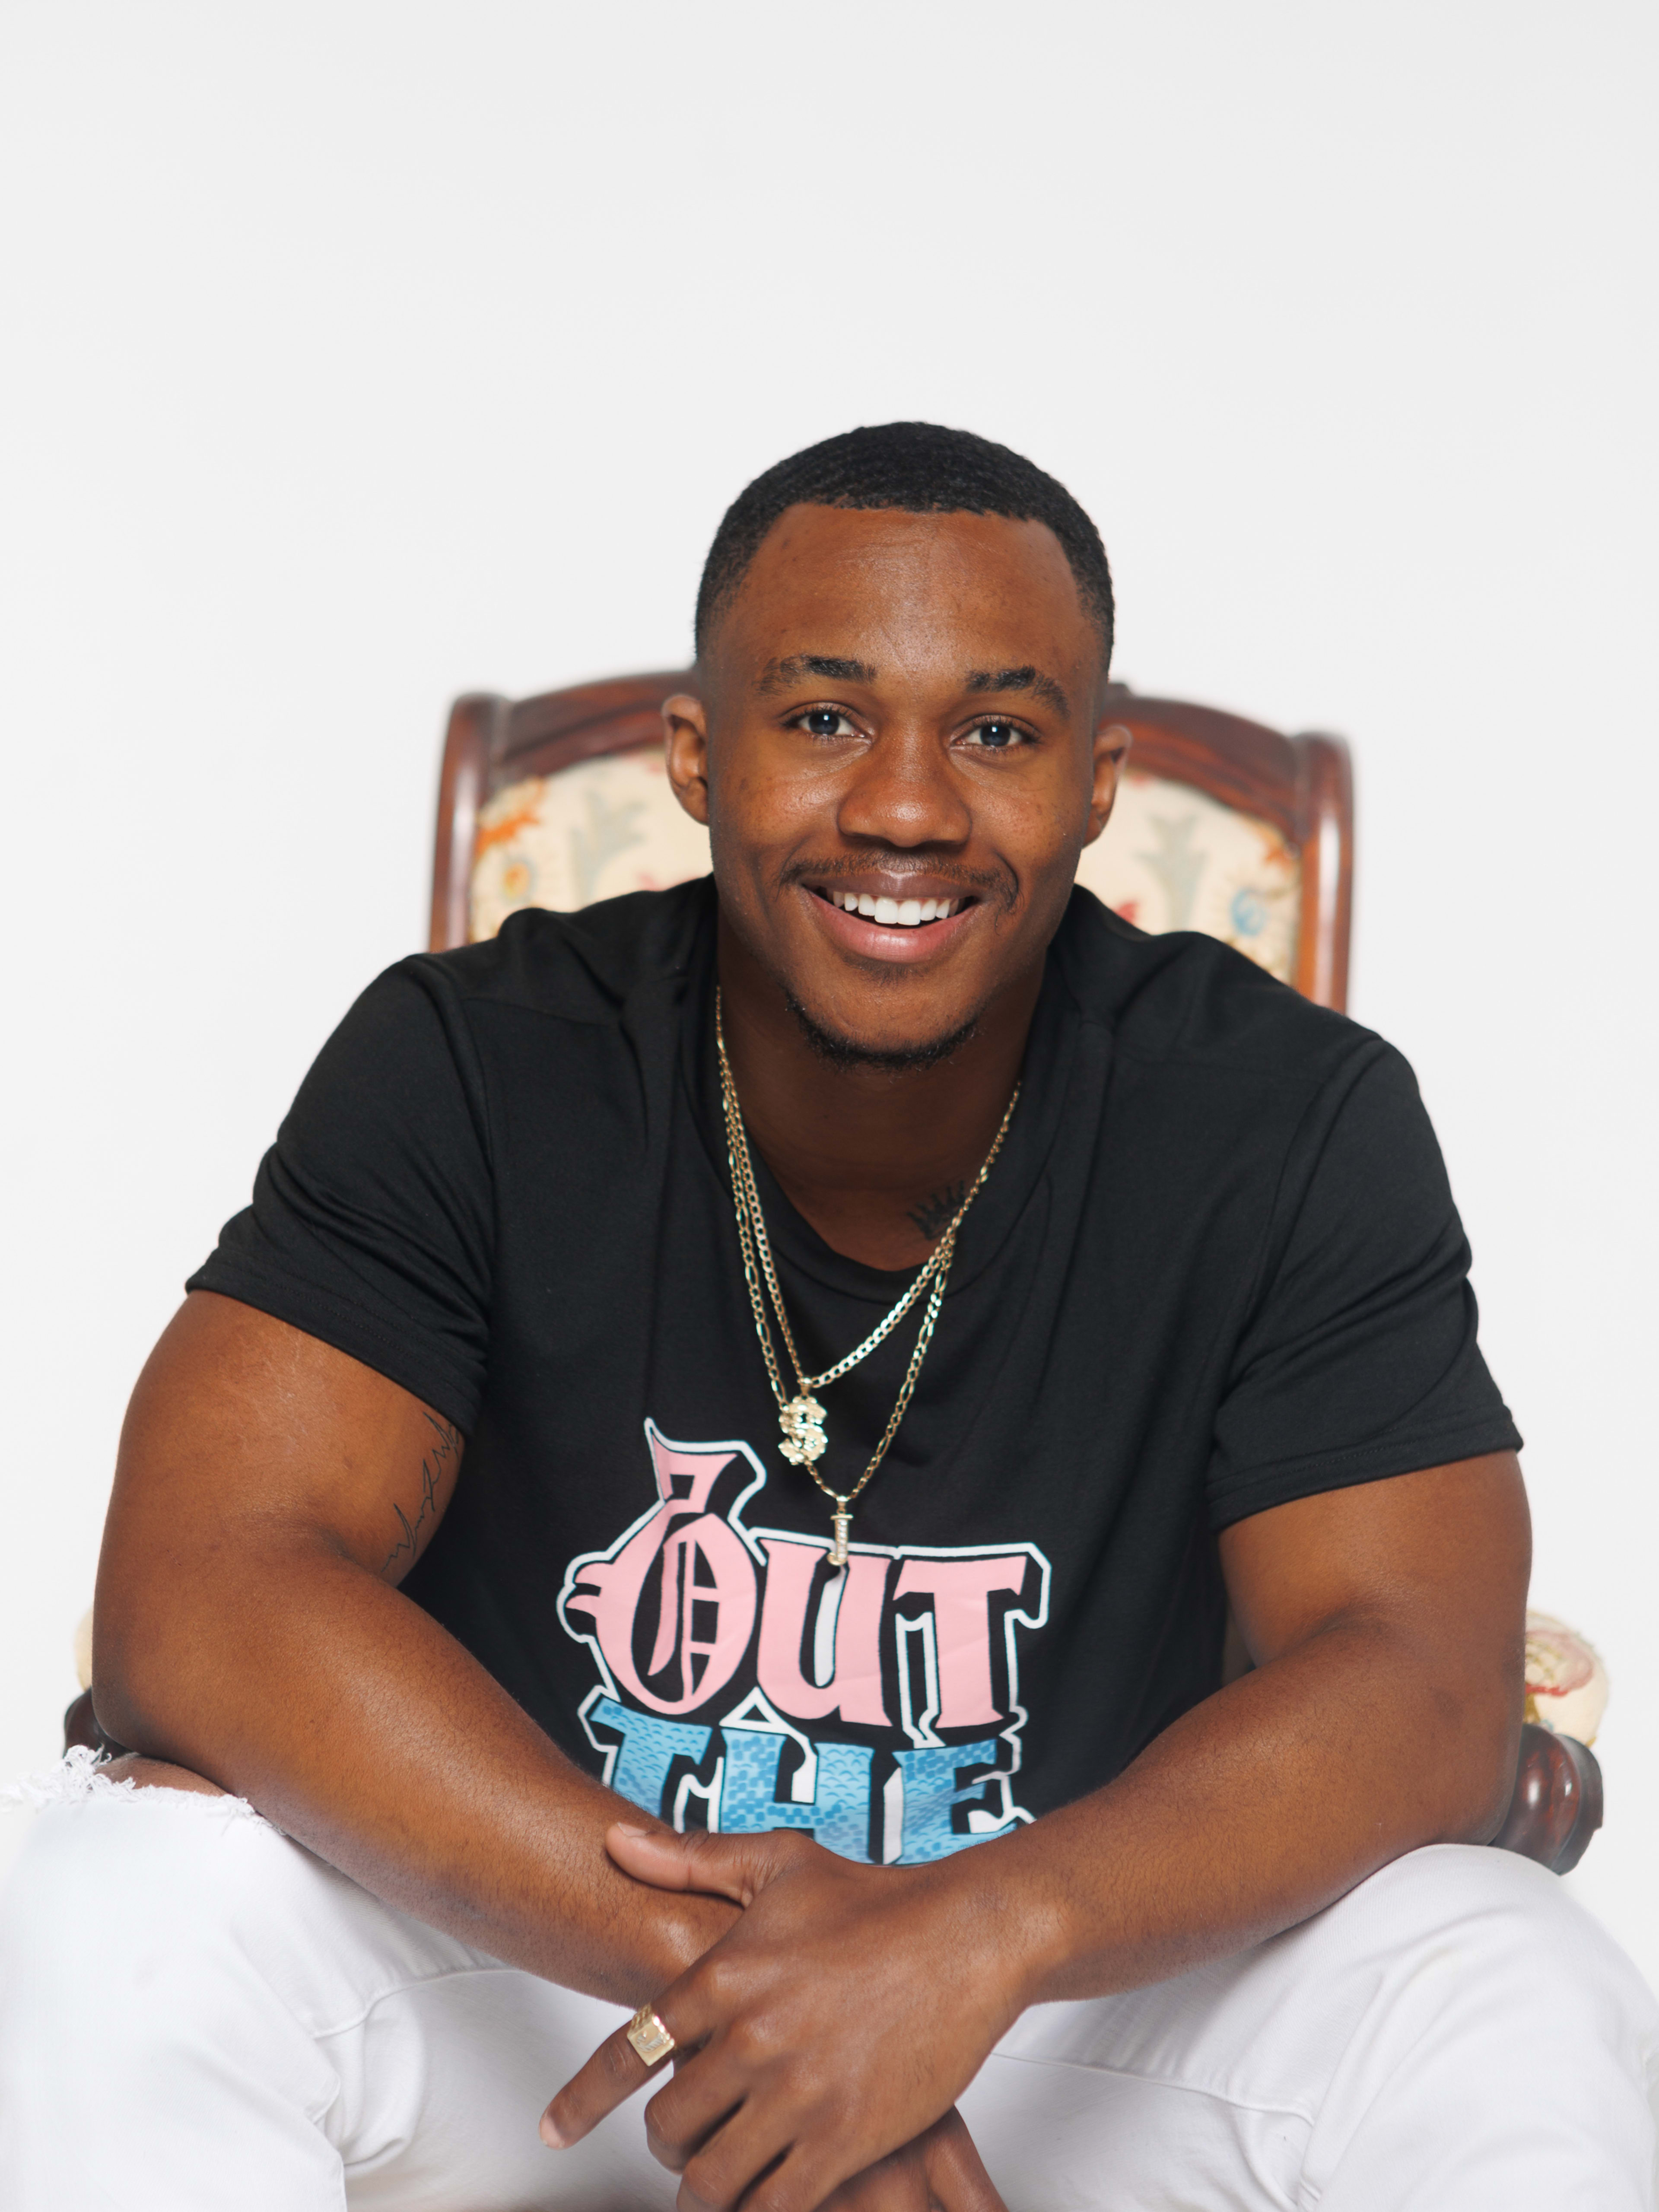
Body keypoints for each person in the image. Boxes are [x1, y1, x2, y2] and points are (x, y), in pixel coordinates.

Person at [1, 423, 1653, 2212]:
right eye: (824, 716)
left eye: (1001, 731)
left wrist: (964, 1944)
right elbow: (204, 1581)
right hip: (558, 1984)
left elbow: (1419, 1674)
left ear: (1098, 782)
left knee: (1502, 1974)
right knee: (123, 1902)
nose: (909, 806)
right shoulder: (474, 1063)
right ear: (700, 757)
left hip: (1065, 1998)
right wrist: (769, 1984)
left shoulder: (1284, 1118)